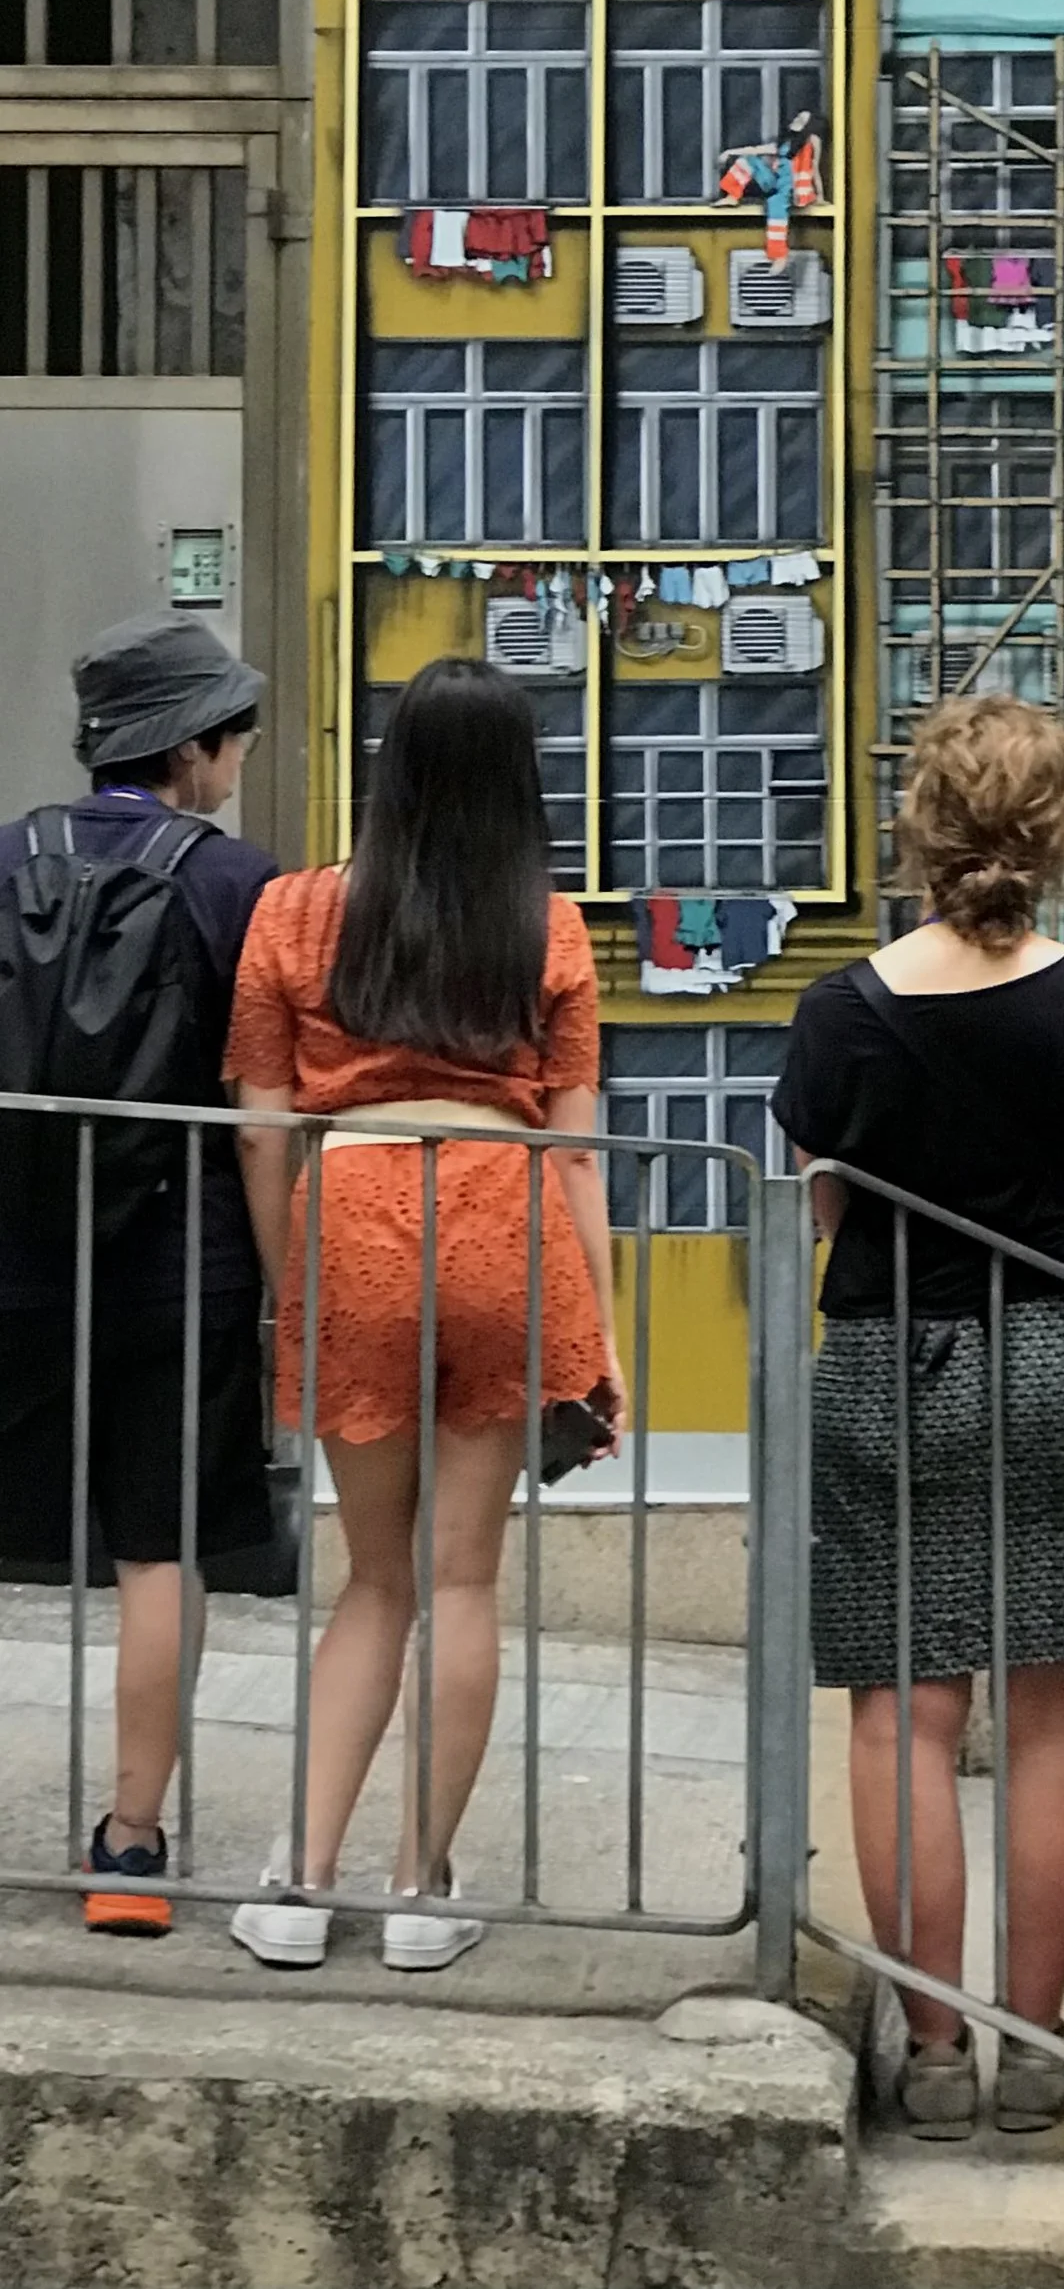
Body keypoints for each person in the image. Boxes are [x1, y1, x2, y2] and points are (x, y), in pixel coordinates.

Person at [773, 696, 1064, 2142]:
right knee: (1053, 1726)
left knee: (903, 1718)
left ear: (920, 827)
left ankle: (935, 2051)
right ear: (1060, 830)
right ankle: (1033, 2047)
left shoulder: (841, 1011)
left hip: (892, 1364)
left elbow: (827, 1195)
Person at [224, 659, 622, 1974]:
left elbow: (261, 1130)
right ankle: (417, 1888)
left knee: (374, 1576)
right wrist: (601, 1334)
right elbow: (576, 1152)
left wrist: (295, 1281)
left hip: (353, 1215)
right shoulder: (548, 930)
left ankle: (300, 1879)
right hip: (507, 1216)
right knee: (463, 1580)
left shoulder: (291, 911)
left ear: (387, 770)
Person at [0, 613, 274, 1936]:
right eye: (235, 734)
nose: (242, 756)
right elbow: (264, 1100)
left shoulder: (7, 858)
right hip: (182, 1262)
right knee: (158, 1554)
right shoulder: (241, 888)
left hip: (13, 1255)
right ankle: (130, 1847)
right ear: (192, 747)